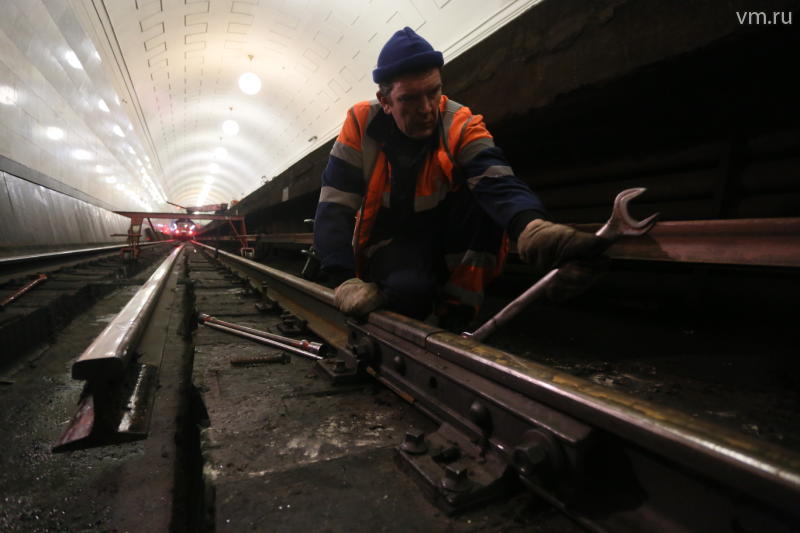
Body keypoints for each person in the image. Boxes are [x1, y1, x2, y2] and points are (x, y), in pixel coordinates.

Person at [313, 27, 604, 328]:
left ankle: (457, 315)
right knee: (409, 292)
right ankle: (414, 298)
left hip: (445, 233)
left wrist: (534, 228)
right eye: (409, 99)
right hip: (391, 241)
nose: (426, 109)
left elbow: (496, 180)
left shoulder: (460, 122)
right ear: (385, 101)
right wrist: (343, 279)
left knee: (482, 199)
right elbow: (334, 206)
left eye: (433, 92)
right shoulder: (361, 124)